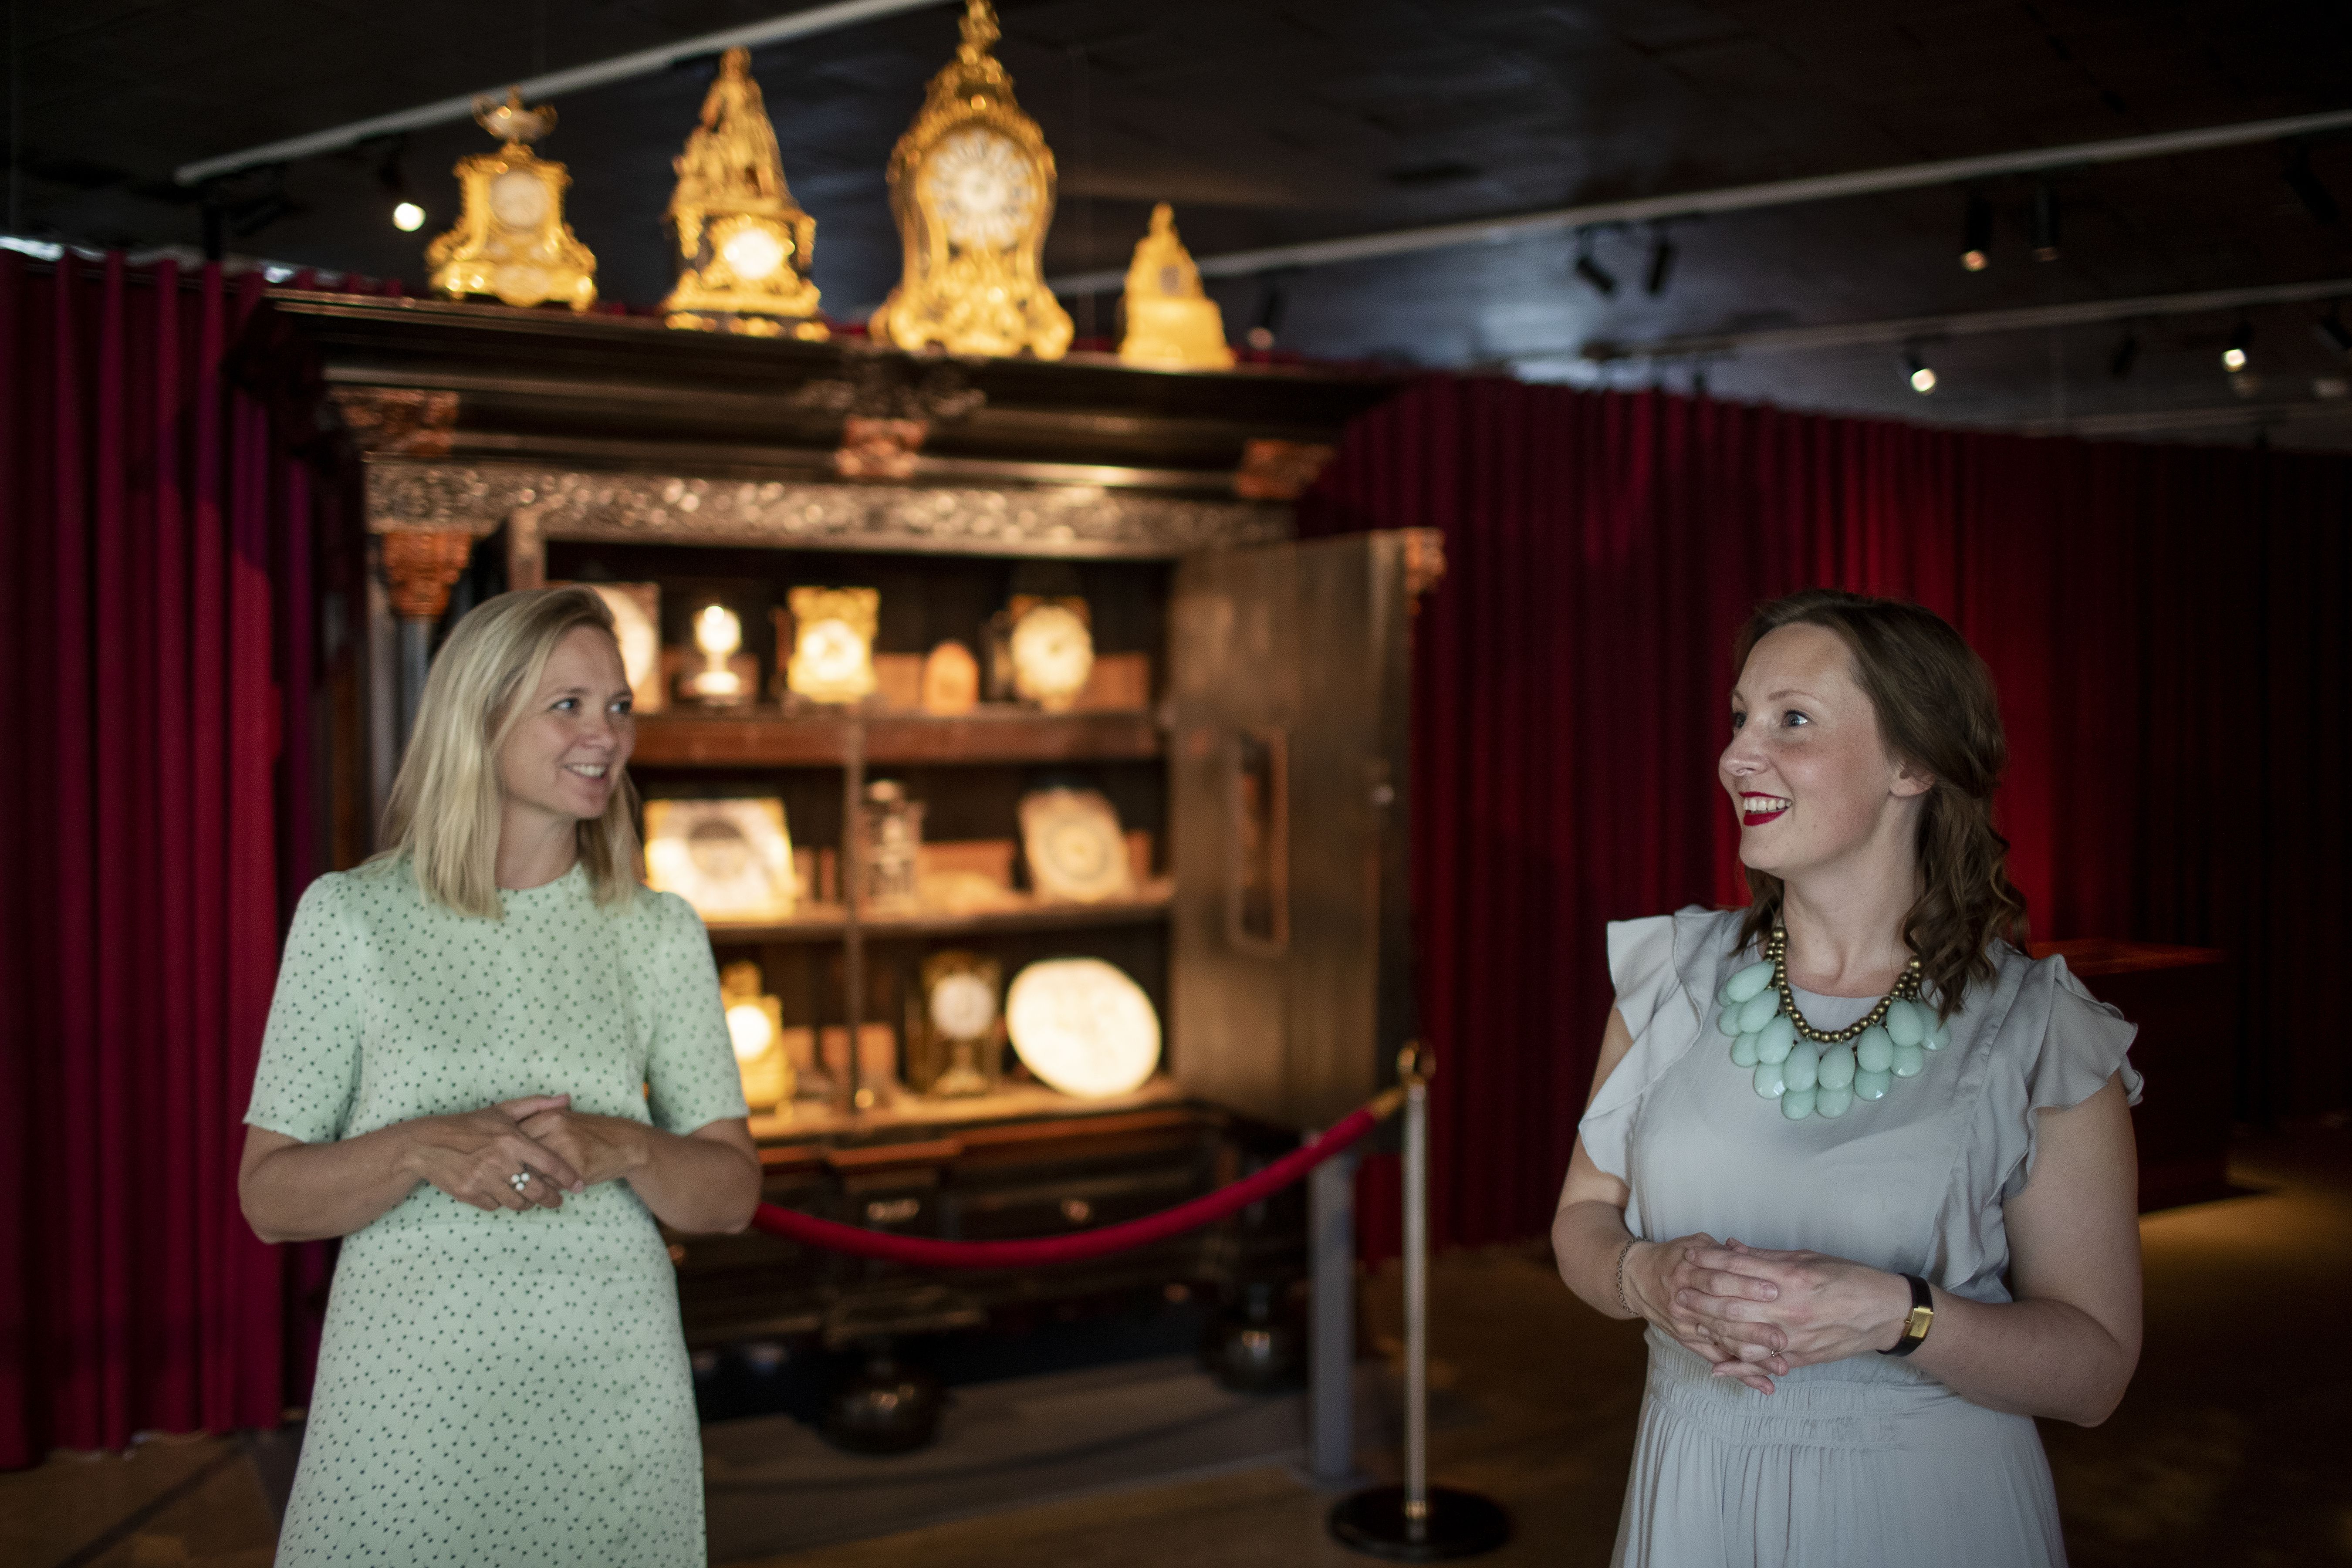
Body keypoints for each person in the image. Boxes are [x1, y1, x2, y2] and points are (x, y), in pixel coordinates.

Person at [1552, 588, 2142, 1568]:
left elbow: (2094, 1377)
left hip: (1925, 1512)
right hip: (1694, 1490)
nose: (1737, 756)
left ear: (1913, 764)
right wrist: (1643, 1277)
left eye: (1793, 720)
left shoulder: (2040, 1032)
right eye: (1740, 717)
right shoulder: (1671, 979)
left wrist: (1899, 1315)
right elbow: (1581, 1221)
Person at [239, 587, 758, 1567]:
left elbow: (731, 1197)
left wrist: (627, 1145)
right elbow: (268, 1200)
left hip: (613, 1381)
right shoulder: (350, 918)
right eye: (568, 705)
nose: (605, 734)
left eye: (619, 705)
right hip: (411, 1392)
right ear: (478, 718)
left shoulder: (658, 932)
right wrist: (417, 1148)